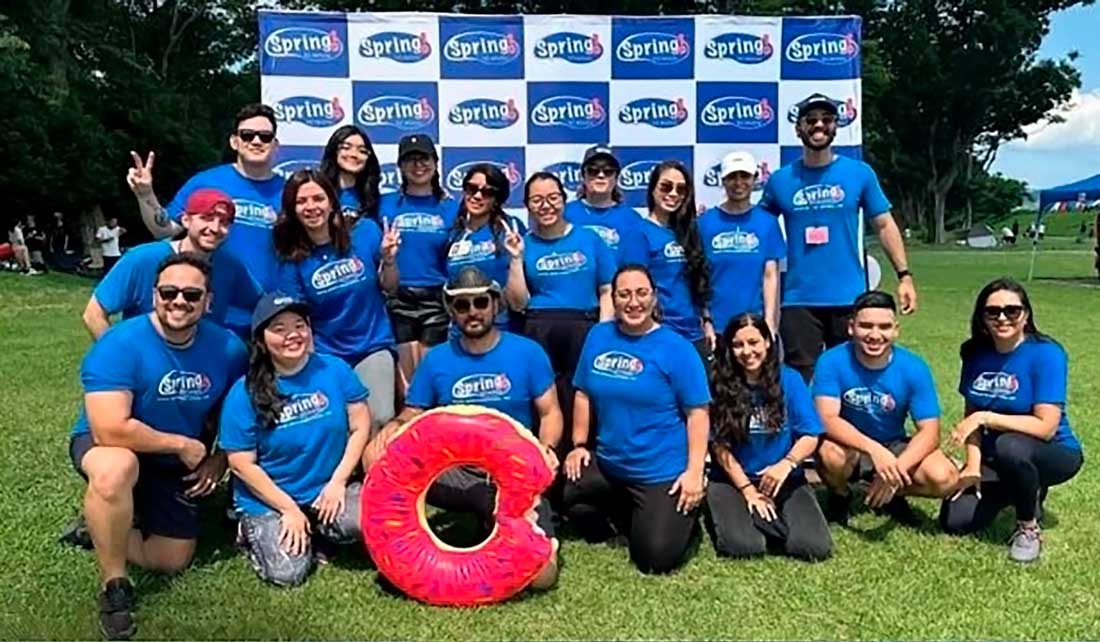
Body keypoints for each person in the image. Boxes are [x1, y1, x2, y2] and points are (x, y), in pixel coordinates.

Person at [66, 253, 247, 640]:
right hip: (109, 444)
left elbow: (236, 411)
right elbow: (110, 428)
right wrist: (181, 443)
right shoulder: (119, 343)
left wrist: (219, 457)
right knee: (115, 470)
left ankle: (99, 525)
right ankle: (114, 587)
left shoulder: (229, 349)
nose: (178, 300)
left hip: (172, 458)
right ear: (154, 296)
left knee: (172, 559)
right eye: (169, 292)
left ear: (208, 302)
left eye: (191, 294)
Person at [365, 266, 562, 590]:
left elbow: (551, 412)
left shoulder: (527, 352)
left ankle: (503, 522)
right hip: (453, 474)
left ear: (495, 304)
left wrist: (546, 449)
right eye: (462, 305)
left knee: (541, 578)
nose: (472, 312)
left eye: (480, 302)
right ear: (450, 310)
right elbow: (414, 411)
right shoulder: (437, 359)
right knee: (377, 456)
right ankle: (402, 548)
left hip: (510, 475)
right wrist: (394, 428)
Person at [563, 264, 710, 574]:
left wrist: (694, 472)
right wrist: (578, 445)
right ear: (613, 299)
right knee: (566, 495)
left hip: (659, 472)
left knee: (654, 558)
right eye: (624, 294)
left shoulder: (677, 348)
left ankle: (684, 517)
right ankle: (628, 512)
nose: (633, 302)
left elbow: (697, 413)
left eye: (642, 293)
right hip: (610, 465)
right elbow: (583, 393)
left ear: (654, 298)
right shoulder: (599, 335)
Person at [760, 94, 917, 382]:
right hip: (798, 298)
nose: (819, 125)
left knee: (850, 374)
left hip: (848, 296)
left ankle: (846, 428)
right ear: (798, 128)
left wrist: (904, 275)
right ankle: (805, 429)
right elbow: (759, 229)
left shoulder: (859, 173)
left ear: (836, 126)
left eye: (826, 120)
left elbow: (884, 225)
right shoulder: (780, 180)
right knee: (799, 377)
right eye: (811, 120)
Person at [220, 293, 371, 586]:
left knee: (370, 523)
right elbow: (241, 464)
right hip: (270, 499)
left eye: (299, 325)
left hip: (326, 488)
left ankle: (317, 525)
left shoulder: (335, 369)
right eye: (279, 328)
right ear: (261, 340)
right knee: (287, 574)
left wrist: (338, 482)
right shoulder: (243, 393)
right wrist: (288, 508)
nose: (293, 335)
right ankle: (248, 530)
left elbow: (361, 426)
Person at [940, 278, 1084, 562]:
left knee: (1011, 446)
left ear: (1026, 314)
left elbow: (1045, 427)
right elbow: (971, 415)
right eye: (992, 312)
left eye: (1012, 310)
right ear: (982, 317)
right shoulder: (974, 353)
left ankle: (1028, 527)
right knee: (955, 521)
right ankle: (1022, 490)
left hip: (1053, 452)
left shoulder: (1046, 353)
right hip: (998, 457)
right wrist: (972, 466)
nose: (1002, 317)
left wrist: (986, 417)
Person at [813, 291, 959, 526]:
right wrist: (873, 450)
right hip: (850, 445)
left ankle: (890, 494)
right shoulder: (832, 361)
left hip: (893, 444)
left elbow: (930, 432)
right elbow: (826, 418)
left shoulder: (914, 367)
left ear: (896, 330)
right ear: (851, 327)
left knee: (945, 477)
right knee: (830, 455)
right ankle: (841, 495)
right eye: (866, 326)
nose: (875, 335)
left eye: (884, 327)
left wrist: (895, 472)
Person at [274, 169, 399, 432]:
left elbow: (390, 286)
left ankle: (373, 473)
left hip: (372, 345)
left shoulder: (365, 232)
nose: (311, 207)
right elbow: (298, 317)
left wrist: (388, 260)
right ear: (292, 209)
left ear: (332, 201)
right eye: (301, 201)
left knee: (379, 417)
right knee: (336, 423)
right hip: (327, 352)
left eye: (318, 198)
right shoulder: (292, 259)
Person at [707, 313, 831, 561]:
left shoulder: (790, 379)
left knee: (812, 547)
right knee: (744, 547)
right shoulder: (718, 383)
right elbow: (719, 447)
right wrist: (748, 491)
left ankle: (771, 519)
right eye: (738, 345)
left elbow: (810, 435)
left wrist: (786, 464)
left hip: (782, 476)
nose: (747, 351)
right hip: (733, 479)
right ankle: (746, 514)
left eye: (753, 342)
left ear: (767, 342)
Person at [128, 103, 285, 292]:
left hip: (267, 306)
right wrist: (146, 195)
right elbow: (164, 230)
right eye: (247, 135)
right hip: (210, 301)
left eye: (265, 137)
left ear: (275, 145)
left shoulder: (290, 192)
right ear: (234, 141)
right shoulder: (205, 182)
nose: (256, 141)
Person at [514, 172, 615, 457]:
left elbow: (607, 289)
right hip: (538, 328)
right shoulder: (523, 244)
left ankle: (583, 460)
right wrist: (515, 259)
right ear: (527, 206)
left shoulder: (590, 239)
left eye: (553, 198)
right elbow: (518, 301)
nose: (546, 206)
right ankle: (544, 463)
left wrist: (602, 333)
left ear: (564, 199)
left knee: (582, 396)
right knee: (543, 398)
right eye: (537, 200)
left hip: (584, 327)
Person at [82, 189, 261, 341]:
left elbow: (262, 304)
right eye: (206, 218)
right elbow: (94, 314)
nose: (215, 228)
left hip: (200, 372)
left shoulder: (229, 266)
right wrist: (118, 359)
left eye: (224, 222)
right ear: (186, 220)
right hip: (146, 368)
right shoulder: (143, 258)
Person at [378, 134, 458, 385]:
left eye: (423, 158)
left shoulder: (453, 208)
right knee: (405, 384)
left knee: (431, 377)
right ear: (400, 166)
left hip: (436, 298)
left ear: (435, 162)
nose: (418, 165)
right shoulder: (384, 204)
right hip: (397, 295)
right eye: (410, 159)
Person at [635, 161, 714, 366]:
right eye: (666, 186)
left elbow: (699, 282)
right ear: (652, 189)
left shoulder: (689, 232)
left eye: (681, 189)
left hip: (694, 333)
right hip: (660, 332)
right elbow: (636, 288)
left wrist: (707, 322)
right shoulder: (639, 233)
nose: (673, 194)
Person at [697, 151, 785, 336]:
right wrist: (706, 320)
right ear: (722, 180)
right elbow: (699, 277)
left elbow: (771, 277)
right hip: (717, 327)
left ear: (755, 179)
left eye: (744, 176)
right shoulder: (704, 223)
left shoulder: (767, 223)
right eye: (732, 177)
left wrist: (769, 323)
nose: (738, 183)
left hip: (754, 326)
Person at [445, 163, 527, 331]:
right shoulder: (454, 232)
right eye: (471, 188)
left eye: (487, 192)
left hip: (502, 329)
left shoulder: (511, 228)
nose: (477, 196)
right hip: (460, 331)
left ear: (497, 198)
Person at [563, 145, 646, 266]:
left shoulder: (631, 218)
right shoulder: (565, 213)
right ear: (583, 176)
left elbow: (636, 266)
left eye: (608, 171)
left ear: (616, 177)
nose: (601, 175)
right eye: (593, 170)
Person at [319, 124, 381, 222]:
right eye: (346, 147)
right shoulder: (319, 194)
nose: (354, 154)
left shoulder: (375, 200)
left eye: (362, 151)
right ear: (334, 151)